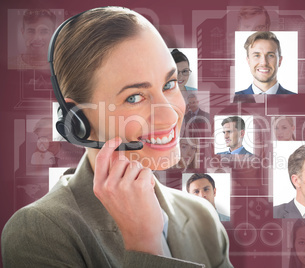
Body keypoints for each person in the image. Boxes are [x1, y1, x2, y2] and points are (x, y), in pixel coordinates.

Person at [2, 7, 232, 268]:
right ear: (78, 119)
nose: (170, 117)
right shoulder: (38, 231)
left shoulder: (201, 216)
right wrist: (145, 244)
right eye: (134, 97)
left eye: (169, 84)